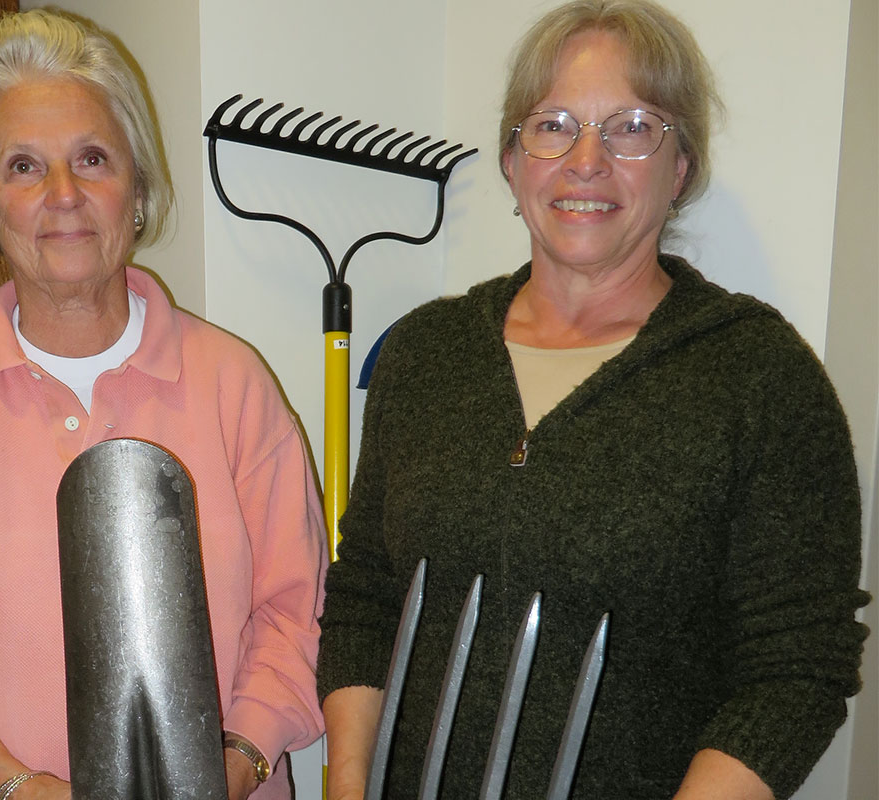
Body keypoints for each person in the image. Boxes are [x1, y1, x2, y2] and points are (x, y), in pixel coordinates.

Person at [316, 2, 868, 799]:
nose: (586, 160)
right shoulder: (424, 355)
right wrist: (349, 786)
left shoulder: (757, 377)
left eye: (633, 127)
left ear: (680, 169)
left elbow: (797, 666)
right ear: (512, 160)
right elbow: (365, 595)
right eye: (554, 125)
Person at [0, 10, 327, 800]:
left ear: (138, 186)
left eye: (93, 158)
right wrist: (14, 785)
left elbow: (296, 611)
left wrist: (231, 769)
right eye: (24, 167)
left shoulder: (236, 386)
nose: (64, 195)